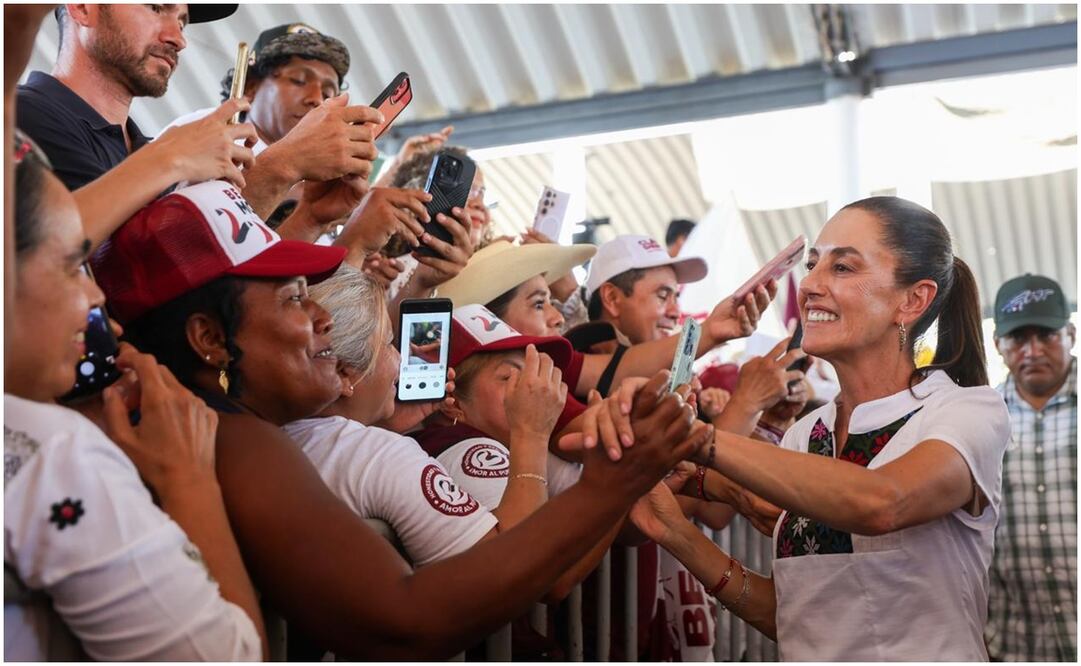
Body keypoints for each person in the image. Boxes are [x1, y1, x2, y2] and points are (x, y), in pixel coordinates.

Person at [95, 179, 714, 660]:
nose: (321, 319)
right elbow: (409, 623)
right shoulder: (234, 438)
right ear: (208, 338)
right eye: (291, 298)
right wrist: (613, 481)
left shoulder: (220, 424)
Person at [630, 196, 1010, 661]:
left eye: (843, 268)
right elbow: (800, 619)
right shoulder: (805, 435)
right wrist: (675, 532)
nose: (809, 284)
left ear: (913, 300)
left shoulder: (964, 410)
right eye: (812, 265)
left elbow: (882, 502)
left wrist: (699, 438)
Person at [5, 133, 263, 661]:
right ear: (207, 338)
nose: (97, 298)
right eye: (71, 264)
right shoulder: (53, 456)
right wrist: (187, 480)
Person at [18, 6, 381, 248]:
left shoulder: (145, 149)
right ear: (83, 7)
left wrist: (310, 217)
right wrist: (282, 166)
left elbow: (197, 290)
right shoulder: (23, 119)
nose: (178, 38)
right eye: (157, 6)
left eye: (182, 20)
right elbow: (134, 272)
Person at [985, 273, 1076, 662]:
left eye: (1047, 335)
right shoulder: (980, 420)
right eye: (1019, 339)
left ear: (1071, 333)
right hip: (1013, 641)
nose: (1033, 350)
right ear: (998, 344)